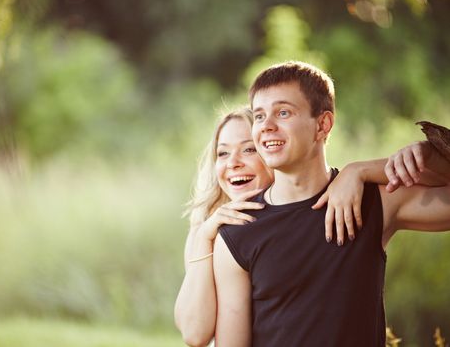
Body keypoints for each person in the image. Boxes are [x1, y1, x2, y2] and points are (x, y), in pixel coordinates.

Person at [213, 61, 450, 346]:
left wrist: (424, 155)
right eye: (260, 116)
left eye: (283, 112)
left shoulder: (373, 202)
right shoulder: (238, 233)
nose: (267, 126)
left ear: (322, 124)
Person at [174, 106, 433, 346]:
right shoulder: (208, 231)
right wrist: (204, 235)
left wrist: (359, 171)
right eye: (223, 153)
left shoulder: (323, 208)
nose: (233, 163)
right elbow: (194, 334)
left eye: (249, 149)